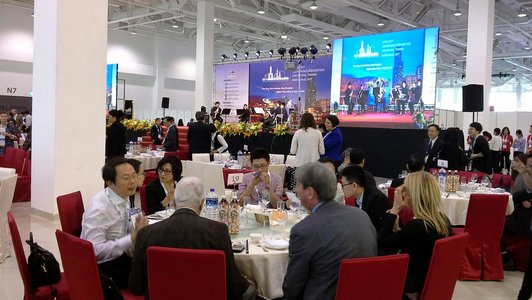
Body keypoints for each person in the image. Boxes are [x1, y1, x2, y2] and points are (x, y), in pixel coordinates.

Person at [129, 177, 255, 299]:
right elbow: (233, 285)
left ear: (174, 203)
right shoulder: (218, 231)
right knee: (251, 289)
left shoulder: (146, 233)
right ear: (202, 205)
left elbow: (136, 286)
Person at [282, 162, 377, 300]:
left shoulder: (304, 230)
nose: (295, 190)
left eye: (298, 185)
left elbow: (291, 289)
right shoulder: (361, 216)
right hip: (365, 294)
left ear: (310, 192)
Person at [379, 171, 451, 299]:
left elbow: (382, 241)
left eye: (405, 190)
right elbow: (414, 243)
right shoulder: (442, 220)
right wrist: (398, 229)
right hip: (430, 283)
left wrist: (395, 209)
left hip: (410, 287)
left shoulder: (418, 226)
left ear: (412, 194)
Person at [80, 158, 148, 289]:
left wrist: (135, 228)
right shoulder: (100, 209)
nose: (133, 181)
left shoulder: (122, 195)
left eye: (134, 175)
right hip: (103, 268)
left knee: (152, 262)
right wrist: (132, 238)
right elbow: (93, 251)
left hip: (119, 255)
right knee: (149, 276)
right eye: (126, 178)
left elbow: (123, 223)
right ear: (109, 182)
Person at [504, 153, 532, 300]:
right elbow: (524, 193)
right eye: (528, 165)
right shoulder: (524, 177)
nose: (528, 169)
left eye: (530, 166)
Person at [340, 165, 391, 231]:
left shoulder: (375, 199)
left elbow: (375, 230)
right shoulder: (359, 196)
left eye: (343, 185)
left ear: (354, 186)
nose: (342, 188)